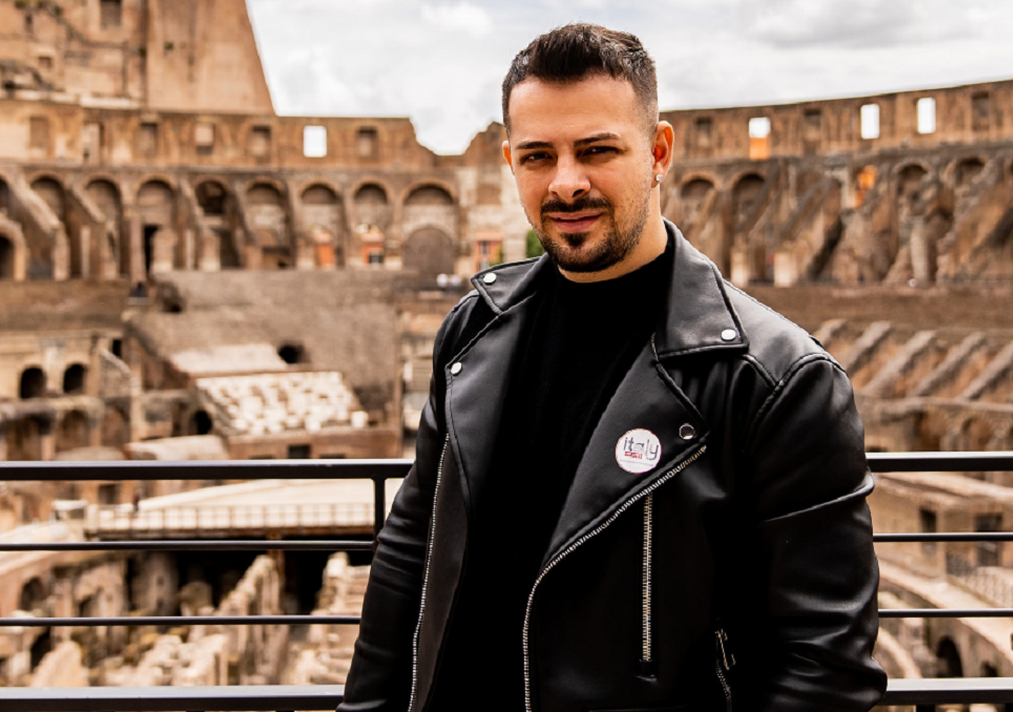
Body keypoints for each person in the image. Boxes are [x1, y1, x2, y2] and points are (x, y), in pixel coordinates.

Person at [340, 23, 886, 712]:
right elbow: (410, 552)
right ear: (510, 162)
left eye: (596, 150)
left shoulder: (778, 381)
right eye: (538, 156)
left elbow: (824, 667)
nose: (566, 183)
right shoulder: (472, 331)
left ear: (659, 152)